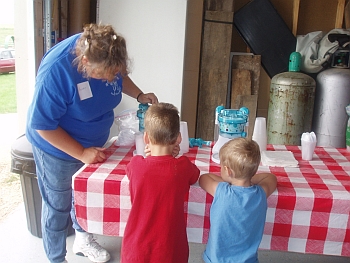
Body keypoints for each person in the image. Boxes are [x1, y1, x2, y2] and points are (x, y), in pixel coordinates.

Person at [26, 23, 158, 263]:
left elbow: (118, 74)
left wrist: (139, 94)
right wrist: (81, 153)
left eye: (113, 73)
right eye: (103, 75)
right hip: (57, 147)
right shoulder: (56, 72)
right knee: (58, 205)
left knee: (84, 193)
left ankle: (83, 239)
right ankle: (56, 258)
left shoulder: (105, 49)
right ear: (84, 62)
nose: (110, 79)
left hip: (91, 143)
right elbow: (42, 125)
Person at [121, 102, 200, 263]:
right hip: (170, 249)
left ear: (146, 138)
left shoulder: (136, 165)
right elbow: (195, 175)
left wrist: (148, 154)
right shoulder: (182, 167)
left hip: (136, 249)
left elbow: (135, 168)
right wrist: (174, 155)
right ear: (178, 138)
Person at [199, 137, 277, 263]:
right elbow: (271, 178)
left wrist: (228, 181)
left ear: (228, 171)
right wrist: (248, 179)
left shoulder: (222, 191)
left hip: (216, 260)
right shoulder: (260, 193)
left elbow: (204, 178)